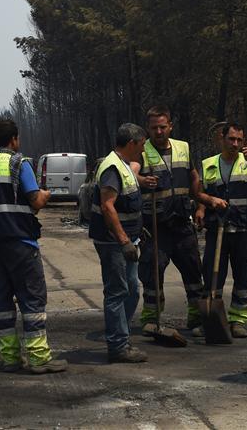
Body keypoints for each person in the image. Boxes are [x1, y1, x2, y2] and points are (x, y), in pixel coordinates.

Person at [0, 119, 67, 374]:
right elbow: (35, 201)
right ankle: (38, 358)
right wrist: (46, 195)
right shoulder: (19, 162)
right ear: (14, 139)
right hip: (20, 242)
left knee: (3, 302)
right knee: (32, 299)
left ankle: (10, 359)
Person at [137, 106, 226, 335]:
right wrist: (141, 180)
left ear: (170, 126)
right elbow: (129, 172)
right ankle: (150, 318)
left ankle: (197, 317)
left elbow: (193, 175)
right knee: (153, 272)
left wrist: (200, 206)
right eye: (154, 127)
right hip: (155, 225)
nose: (159, 131)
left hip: (181, 221)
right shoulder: (142, 151)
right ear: (148, 128)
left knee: (193, 270)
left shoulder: (183, 147)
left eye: (162, 126)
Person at [197, 122, 247, 338]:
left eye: (239, 140)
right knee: (212, 273)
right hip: (216, 226)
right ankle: (211, 317)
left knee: (243, 272)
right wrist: (201, 209)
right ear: (222, 138)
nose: (235, 144)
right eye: (231, 139)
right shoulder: (208, 163)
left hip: (243, 227)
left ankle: (238, 319)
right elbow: (200, 191)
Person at [89, 123, 147, 364]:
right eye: (142, 145)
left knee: (132, 289)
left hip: (128, 239)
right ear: (132, 144)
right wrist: (124, 240)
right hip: (114, 242)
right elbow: (107, 206)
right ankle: (118, 345)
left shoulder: (122, 165)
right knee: (117, 292)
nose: (143, 150)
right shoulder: (112, 167)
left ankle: (120, 334)